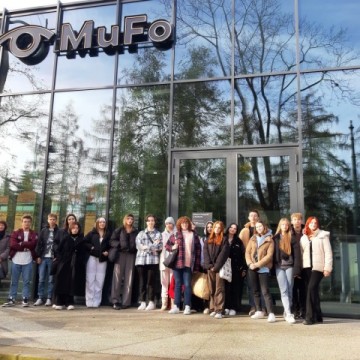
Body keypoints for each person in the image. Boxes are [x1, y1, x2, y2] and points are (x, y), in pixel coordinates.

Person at [300, 217, 333, 325]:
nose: (313, 224)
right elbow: (302, 253)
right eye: (311, 223)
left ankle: (309, 317)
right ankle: (318, 315)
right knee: (313, 291)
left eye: (315, 223)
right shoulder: (304, 237)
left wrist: (327, 268)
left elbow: (328, 253)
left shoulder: (323, 236)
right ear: (308, 224)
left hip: (318, 267)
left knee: (311, 288)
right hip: (307, 267)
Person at [166, 216, 201, 315]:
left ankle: (187, 306)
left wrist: (197, 265)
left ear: (188, 224)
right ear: (180, 225)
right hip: (178, 263)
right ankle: (176, 306)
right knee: (177, 284)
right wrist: (173, 247)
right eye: (182, 223)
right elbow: (167, 246)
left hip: (189, 264)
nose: (184, 225)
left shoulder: (194, 235)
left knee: (187, 285)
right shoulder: (176, 234)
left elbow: (198, 250)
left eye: (186, 223)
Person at [2, 215, 38, 307]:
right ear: (22, 222)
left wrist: (22, 243)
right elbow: (13, 245)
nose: (26, 223)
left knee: (26, 281)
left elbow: (34, 244)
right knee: (14, 281)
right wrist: (26, 246)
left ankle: (25, 299)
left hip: (28, 260)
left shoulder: (34, 233)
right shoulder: (15, 233)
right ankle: (11, 299)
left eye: (28, 221)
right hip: (16, 260)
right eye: (25, 221)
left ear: (31, 223)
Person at [245, 220, 276, 323]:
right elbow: (247, 253)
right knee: (255, 290)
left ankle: (271, 313)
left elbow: (269, 256)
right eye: (257, 227)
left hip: (263, 268)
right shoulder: (253, 238)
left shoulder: (270, 239)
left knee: (265, 291)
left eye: (260, 226)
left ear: (264, 227)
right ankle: (259, 310)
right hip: (252, 268)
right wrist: (250, 264)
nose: (258, 228)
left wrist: (257, 264)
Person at [273, 218, 301, 324]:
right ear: (280, 226)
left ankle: (286, 311)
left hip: (290, 266)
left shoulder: (292, 238)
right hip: (279, 267)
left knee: (289, 290)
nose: (284, 226)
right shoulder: (275, 238)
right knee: (283, 290)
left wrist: (297, 269)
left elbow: (297, 255)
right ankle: (289, 313)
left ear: (288, 226)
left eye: (286, 225)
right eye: (282, 224)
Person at [53, 221, 85, 310]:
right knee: (61, 282)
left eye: (77, 228)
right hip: (64, 263)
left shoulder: (81, 239)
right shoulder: (66, 238)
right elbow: (58, 250)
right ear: (70, 229)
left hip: (75, 264)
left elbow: (83, 252)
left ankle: (69, 302)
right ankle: (59, 301)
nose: (75, 230)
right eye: (73, 228)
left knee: (71, 283)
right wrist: (61, 259)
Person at [110, 214, 139, 310]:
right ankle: (115, 301)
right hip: (120, 255)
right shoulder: (119, 230)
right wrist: (119, 245)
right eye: (128, 218)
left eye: (132, 219)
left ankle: (126, 302)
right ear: (125, 219)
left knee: (129, 278)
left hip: (131, 255)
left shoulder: (135, 231)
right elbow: (112, 241)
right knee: (117, 278)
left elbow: (138, 243)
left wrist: (133, 248)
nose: (130, 220)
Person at [135, 214, 162, 311]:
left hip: (153, 261)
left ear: (154, 222)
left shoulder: (158, 234)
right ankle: (142, 301)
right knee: (142, 282)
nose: (151, 222)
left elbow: (159, 246)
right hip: (141, 261)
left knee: (151, 282)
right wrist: (151, 246)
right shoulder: (141, 233)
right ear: (146, 222)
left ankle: (151, 301)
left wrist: (146, 247)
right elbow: (138, 245)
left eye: (152, 220)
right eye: (149, 220)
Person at [239, 209, 264, 316]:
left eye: (255, 215)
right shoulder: (245, 230)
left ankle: (262, 307)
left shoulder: (263, 229)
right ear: (249, 218)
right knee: (251, 286)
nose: (253, 217)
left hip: (262, 261)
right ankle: (253, 306)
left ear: (258, 217)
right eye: (251, 216)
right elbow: (241, 247)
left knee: (262, 286)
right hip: (249, 262)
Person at [203, 221, 230, 319]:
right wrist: (209, 265)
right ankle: (212, 308)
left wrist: (216, 267)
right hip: (210, 268)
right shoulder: (208, 240)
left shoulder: (224, 240)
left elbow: (223, 255)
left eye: (219, 228)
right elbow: (205, 253)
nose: (217, 229)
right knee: (211, 289)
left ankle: (219, 310)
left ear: (222, 229)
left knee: (219, 289)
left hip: (219, 268)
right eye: (215, 227)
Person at [84, 217, 111, 308]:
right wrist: (91, 247)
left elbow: (111, 245)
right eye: (100, 222)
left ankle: (97, 301)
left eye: (104, 222)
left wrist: (108, 251)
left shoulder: (108, 234)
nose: (102, 223)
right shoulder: (91, 233)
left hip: (102, 259)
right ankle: (89, 300)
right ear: (97, 223)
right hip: (92, 258)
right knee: (90, 279)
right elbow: (84, 242)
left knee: (100, 280)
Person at [34, 213, 59, 306]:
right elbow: (39, 244)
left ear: (56, 220)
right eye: (50, 219)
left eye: (54, 219)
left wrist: (57, 256)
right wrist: (38, 256)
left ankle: (49, 297)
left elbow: (60, 245)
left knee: (51, 279)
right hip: (43, 257)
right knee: (41, 279)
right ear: (48, 220)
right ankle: (40, 297)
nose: (52, 221)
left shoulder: (59, 231)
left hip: (53, 258)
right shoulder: (43, 231)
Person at [224, 223, 247, 316]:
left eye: (235, 228)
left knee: (235, 288)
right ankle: (226, 307)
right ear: (228, 228)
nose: (233, 229)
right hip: (225, 268)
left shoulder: (238, 241)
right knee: (226, 288)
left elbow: (243, 255)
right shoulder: (223, 239)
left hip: (236, 268)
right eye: (231, 227)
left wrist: (244, 268)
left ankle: (233, 307)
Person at [291, 212, 306, 319]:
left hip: (305, 265)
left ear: (301, 221)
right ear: (292, 222)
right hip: (292, 265)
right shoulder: (288, 233)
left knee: (303, 290)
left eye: (299, 219)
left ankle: (303, 310)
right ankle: (295, 310)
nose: (297, 221)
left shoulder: (306, 232)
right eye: (295, 220)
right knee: (293, 290)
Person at [159, 216, 176, 310]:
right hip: (163, 261)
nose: (169, 225)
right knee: (164, 283)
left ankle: (173, 304)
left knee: (173, 283)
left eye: (170, 223)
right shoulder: (161, 235)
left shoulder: (177, 234)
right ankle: (164, 304)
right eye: (167, 223)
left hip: (173, 261)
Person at [200, 221, 213, 314]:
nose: (209, 228)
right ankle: (206, 306)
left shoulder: (217, 238)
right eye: (208, 227)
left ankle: (213, 306)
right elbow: (201, 253)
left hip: (214, 266)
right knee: (205, 287)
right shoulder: (203, 239)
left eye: (211, 227)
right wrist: (202, 263)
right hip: (205, 265)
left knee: (213, 287)